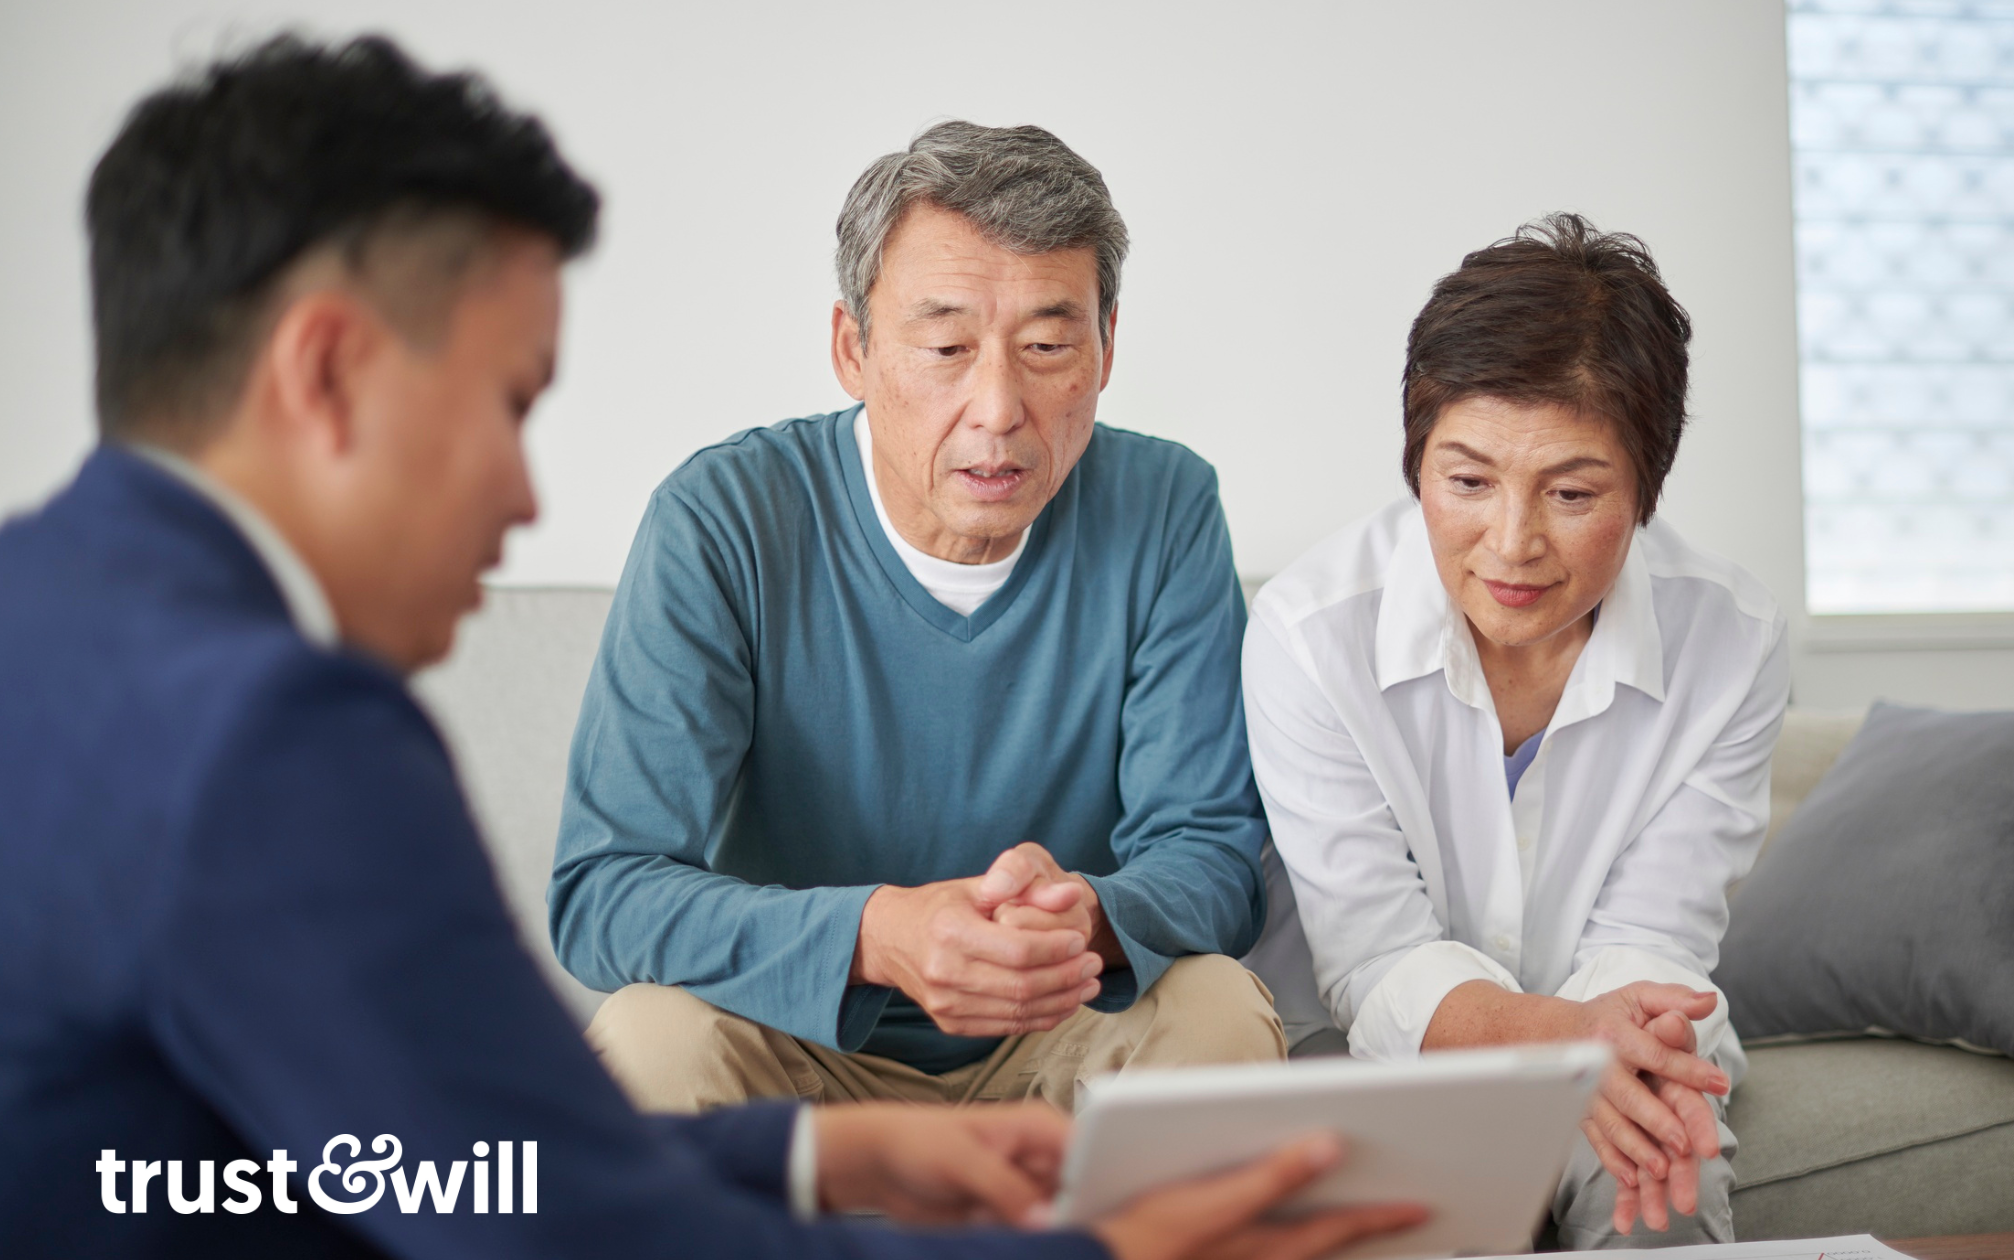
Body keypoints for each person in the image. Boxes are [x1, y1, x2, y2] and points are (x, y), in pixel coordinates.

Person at [0, 35, 1421, 1260]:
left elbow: (436, 1161)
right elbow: (540, 1213)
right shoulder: (278, 735)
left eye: (1048, 346)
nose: (527, 496)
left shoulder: (48, 620)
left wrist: (809, 1166)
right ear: (323, 371)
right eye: (510, 401)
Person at [550, 121, 1283, 1114]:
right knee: (645, 1039)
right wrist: (875, 935)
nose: (996, 408)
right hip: (794, 1034)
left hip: (1058, 1029)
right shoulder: (722, 518)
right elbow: (605, 890)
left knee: (1217, 1011)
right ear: (851, 349)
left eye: (1046, 347)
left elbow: (1211, 856)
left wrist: (1086, 918)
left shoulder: (1165, 506)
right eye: (944, 346)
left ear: (1105, 349)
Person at [1239, 215, 1790, 1249]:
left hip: (1616, 1034)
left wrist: (1599, 1056)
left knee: (1661, 1181)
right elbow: (1373, 960)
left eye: (1572, 494)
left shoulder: (1732, 638)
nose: (1511, 542)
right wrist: (1556, 1043)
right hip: (1385, 1058)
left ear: (1645, 487)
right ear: (1415, 465)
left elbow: (1654, 941)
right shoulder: (1309, 635)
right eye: (1466, 482)